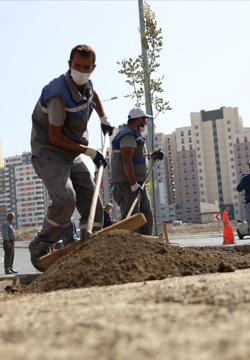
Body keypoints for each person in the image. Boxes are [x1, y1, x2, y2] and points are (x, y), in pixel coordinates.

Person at [29, 44, 114, 272]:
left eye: (86, 68)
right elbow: (55, 137)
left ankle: (90, 245)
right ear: (69, 65)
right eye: (77, 66)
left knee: (91, 200)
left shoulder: (86, 83)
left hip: (72, 151)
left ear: (93, 68)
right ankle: (42, 244)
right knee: (66, 198)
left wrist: (103, 117)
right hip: (50, 152)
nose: (81, 71)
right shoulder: (57, 94)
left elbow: (92, 94)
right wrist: (90, 152)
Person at [110, 107, 164, 235]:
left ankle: (145, 248)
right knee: (132, 221)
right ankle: (128, 252)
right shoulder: (127, 135)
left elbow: (137, 156)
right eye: (145, 119)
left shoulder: (134, 135)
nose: (145, 122)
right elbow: (126, 160)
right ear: (138, 120)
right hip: (127, 184)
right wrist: (133, 185)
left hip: (136, 183)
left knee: (146, 217)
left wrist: (151, 156)